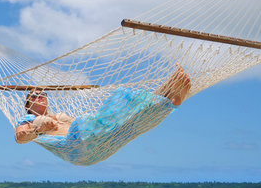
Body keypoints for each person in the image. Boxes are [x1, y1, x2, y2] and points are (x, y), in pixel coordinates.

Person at [14, 65, 191, 165]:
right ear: (28, 105)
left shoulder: (57, 115)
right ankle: (169, 90)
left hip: (94, 145)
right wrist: (36, 129)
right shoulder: (28, 119)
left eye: (43, 94)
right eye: (35, 96)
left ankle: (169, 97)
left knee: (130, 124)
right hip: (77, 145)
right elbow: (19, 137)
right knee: (120, 107)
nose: (41, 96)